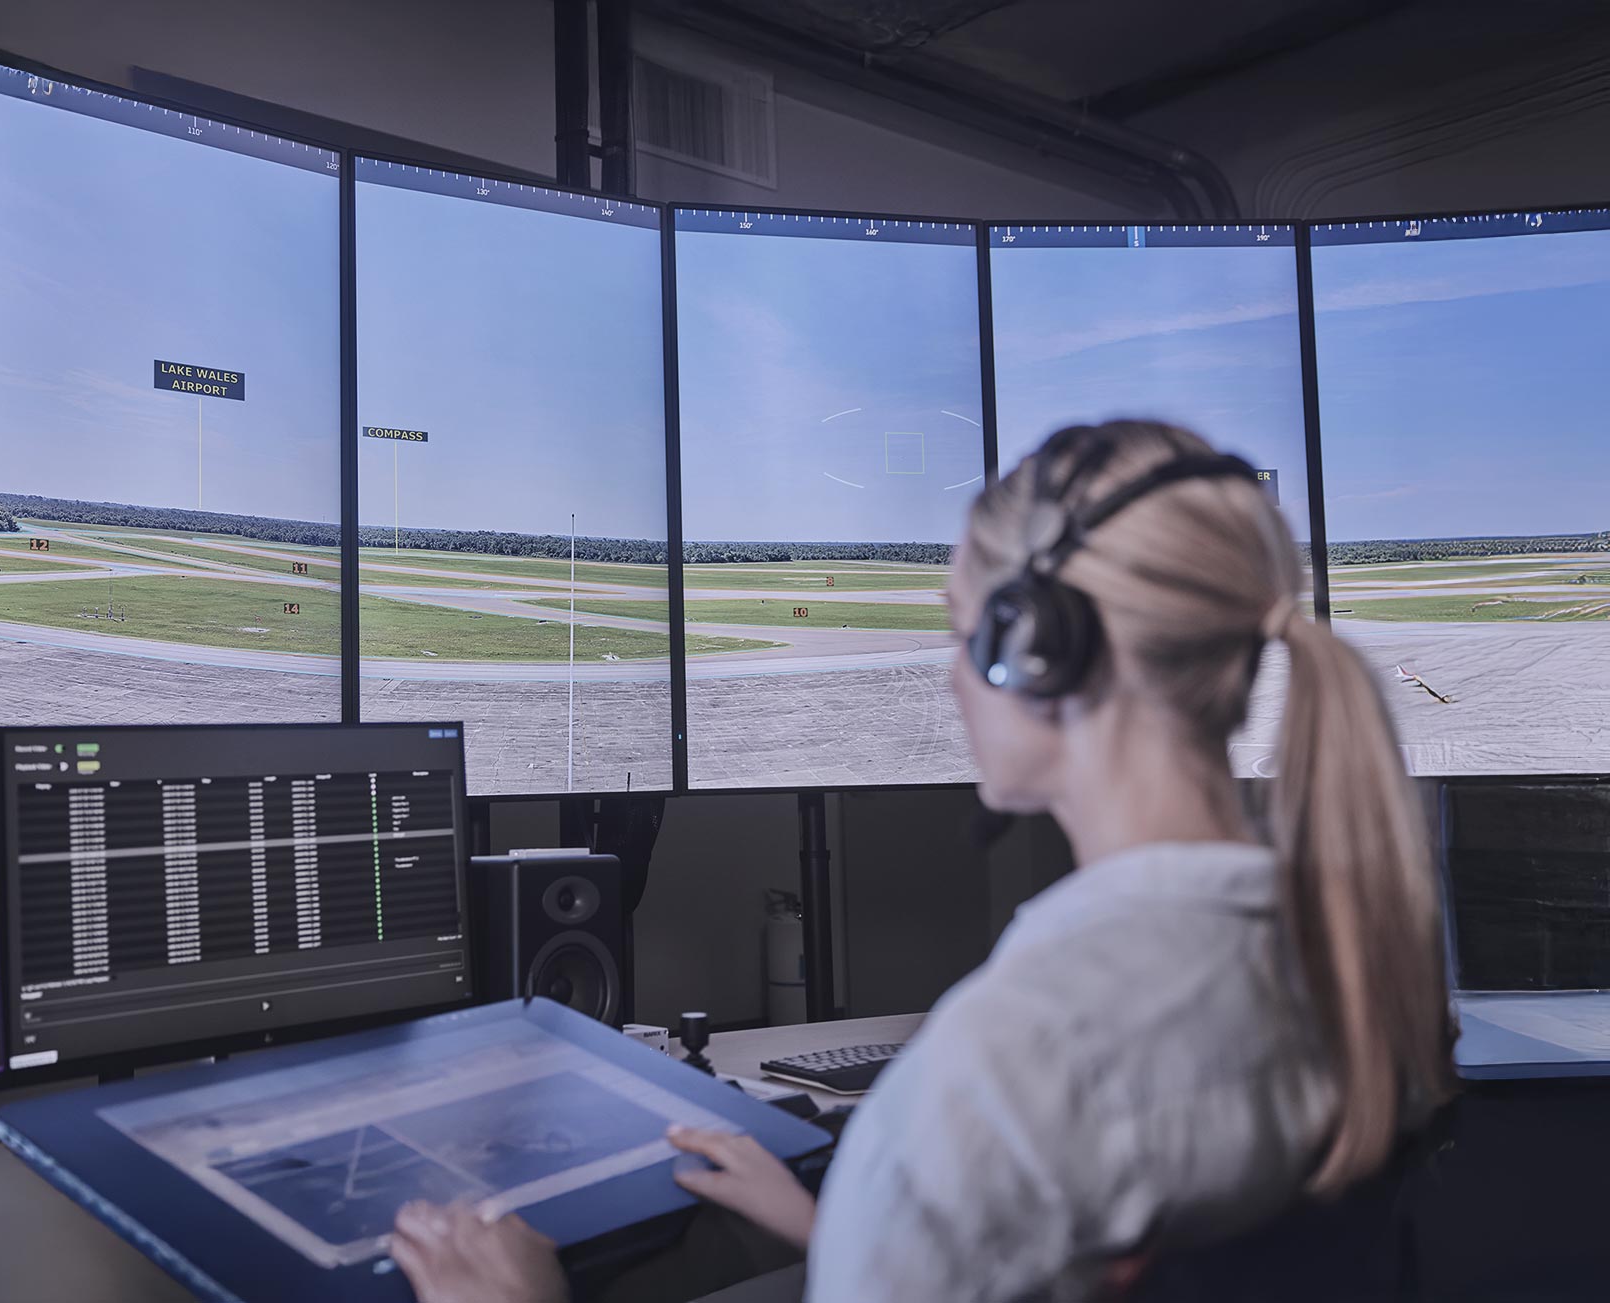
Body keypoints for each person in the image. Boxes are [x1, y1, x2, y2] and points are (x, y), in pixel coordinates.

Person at [388, 421, 1456, 1303]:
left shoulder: (1008, 1059)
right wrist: (854, 1219)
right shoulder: (1354, 958)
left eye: (958, 634)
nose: (950, 680)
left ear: (1033, 645)